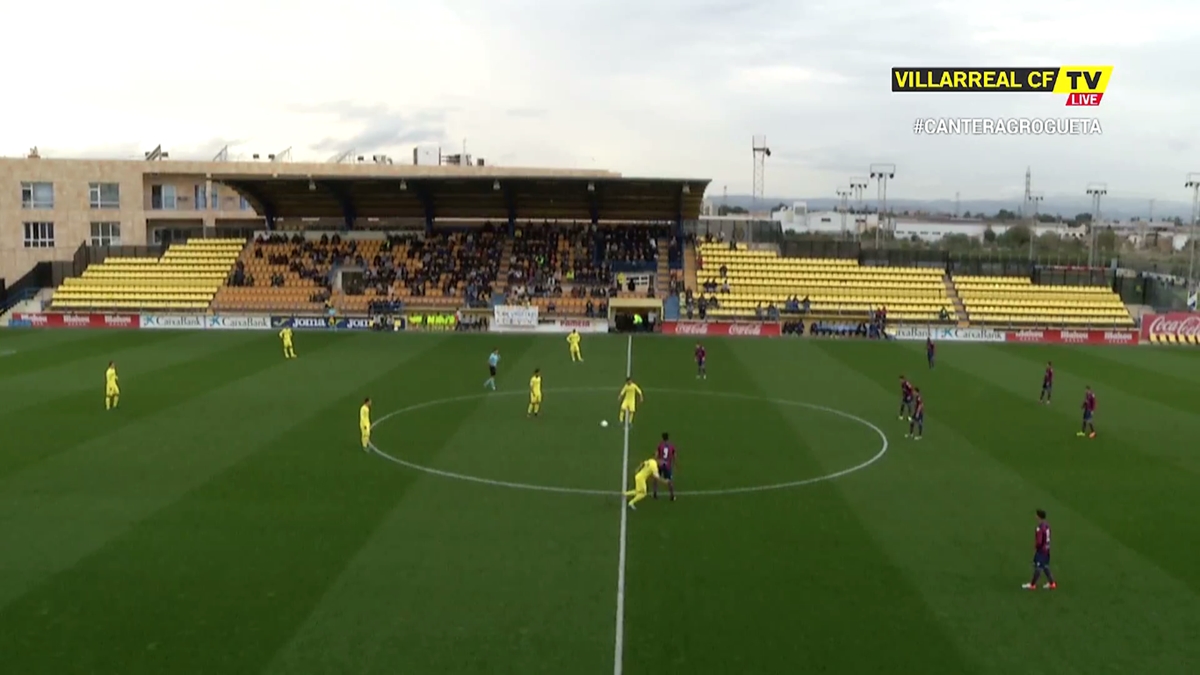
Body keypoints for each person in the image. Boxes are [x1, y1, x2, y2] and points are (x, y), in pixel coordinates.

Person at [1022, 509, 1057, 590]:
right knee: (1045, 566)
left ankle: (1032, 585)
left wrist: (1036, 547)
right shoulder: (1047, 525)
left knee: (1038, 567)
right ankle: (1052, 583)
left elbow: (1039, 541)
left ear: (1038, 516)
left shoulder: (1040, 527)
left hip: (1041, 551)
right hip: (1047, 549)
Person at [653, 432, 676, 501]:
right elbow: (674, 455)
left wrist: (655, 461)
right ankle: (672, 495)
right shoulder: (671, 446)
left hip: (660, 464)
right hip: (667, 465)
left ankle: (655, 493)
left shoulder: (660, 445)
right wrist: (674, 463)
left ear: (662, 438)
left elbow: (656, 455)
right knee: (669, 480)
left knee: (656, 478)